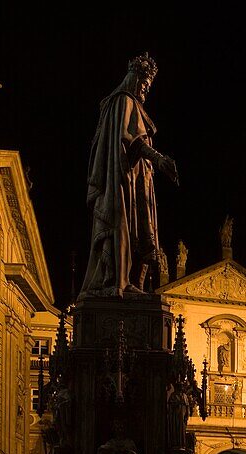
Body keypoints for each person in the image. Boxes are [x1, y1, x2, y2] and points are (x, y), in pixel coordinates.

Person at [81, 53, 178, 296]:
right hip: (123, 179)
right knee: (124, 226)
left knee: (143, 232)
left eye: (148, 87)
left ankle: (130, 282)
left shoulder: (132, 105)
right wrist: (158, 157)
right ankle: (118, 282)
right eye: (144, 85)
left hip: (138, 180)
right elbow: (127, 138)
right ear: (133, 78)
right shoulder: (124, 101)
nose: (146, 91)